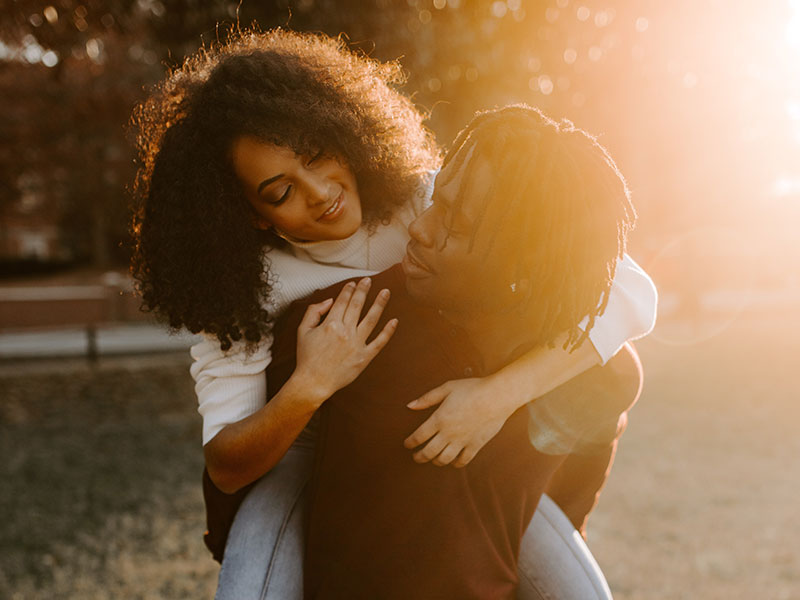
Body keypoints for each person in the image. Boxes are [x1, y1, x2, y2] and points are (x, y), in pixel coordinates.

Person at [129, 28, 656, 598]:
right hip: (301, 456)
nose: (319, 191)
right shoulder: (238, 293)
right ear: (251, 213)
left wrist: (497, 396)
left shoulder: (422, 200)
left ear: (341, 130)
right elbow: (228, 463)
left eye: (317, 155)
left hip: (440, 447)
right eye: (280, 192)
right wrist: (311, 383)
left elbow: (629, 292)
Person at [264, 105, 642, 599]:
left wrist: (500, 398)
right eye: (435, 201)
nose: (419, 229)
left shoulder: (581, 366)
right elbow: (248, 477)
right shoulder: (341, 324)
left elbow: (607, 403)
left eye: (456, 225)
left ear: (521, 268)